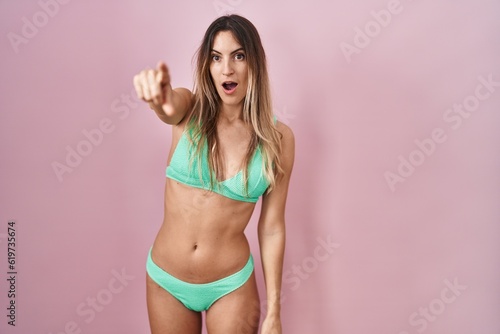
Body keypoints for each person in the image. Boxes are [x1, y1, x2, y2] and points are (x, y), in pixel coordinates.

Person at [133, 14, 294, 334]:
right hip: (167, 281)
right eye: (216, 57)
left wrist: (274, 310)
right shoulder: (189, 109)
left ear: (255, 64)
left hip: (230, 287)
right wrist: (159, 99)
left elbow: (272, 226)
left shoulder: (278, 140)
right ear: (207, 66)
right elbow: (169, 107)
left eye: (239, 56)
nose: (227, 69)